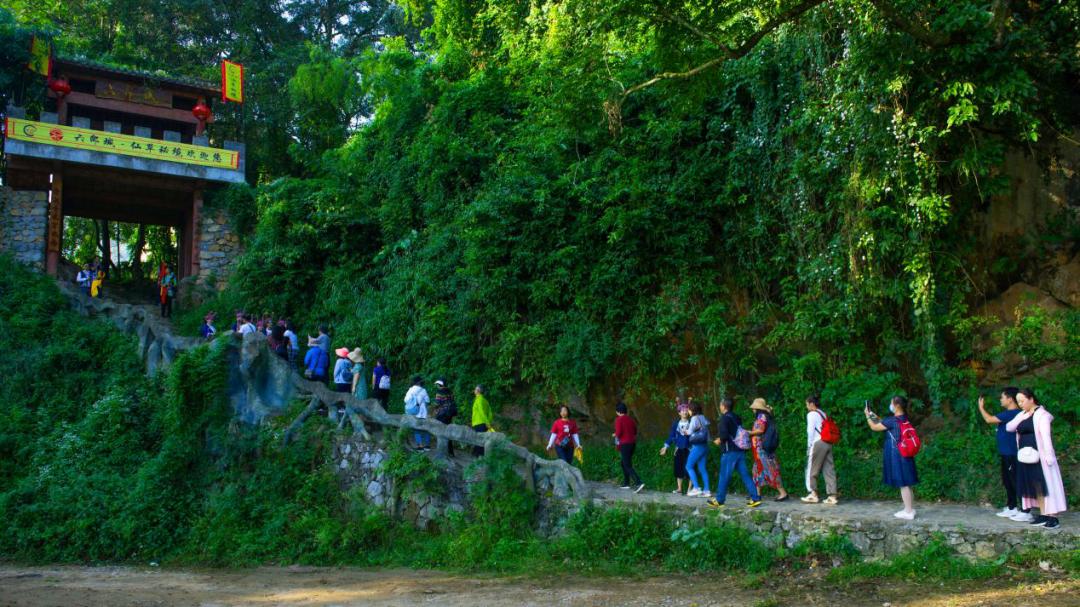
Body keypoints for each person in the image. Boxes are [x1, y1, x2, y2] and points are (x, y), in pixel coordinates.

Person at [1005, 388, 1066, 529]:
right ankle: (1044, 513)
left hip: (1041, 456)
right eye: (1018, 401)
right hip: (1026, 456)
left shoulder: (1042, 415)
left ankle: (1053, 516)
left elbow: (1046, 437)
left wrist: (1049, 456)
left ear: (1031, 399)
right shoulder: (1023, 414)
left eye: (1022, 400)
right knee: (1036, 486)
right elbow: (1009, 427)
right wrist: (1022, 416)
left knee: (1046, 484)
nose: (1020, 403)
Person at [865, 396, 918, 519]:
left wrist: (867, 416)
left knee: (903, 483)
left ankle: (908, 512)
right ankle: (909, 509)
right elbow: (882, 422)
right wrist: (872, 414)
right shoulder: (903, 418)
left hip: (897, 453)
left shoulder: (893, 421)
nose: (890, 405)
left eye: (891, 403)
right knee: (907, 482)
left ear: (897, 405)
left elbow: (874, 426)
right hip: (904, 452)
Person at [708, 397, 762, 509]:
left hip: (730, 451)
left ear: (723, 406)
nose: (720, 406)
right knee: (745, 474)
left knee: (724, 475)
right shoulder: (736, 417)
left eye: (720, 404)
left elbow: (723, 435)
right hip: (740, 450)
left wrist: (719, 440)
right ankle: (755, 498)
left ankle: (719, 500)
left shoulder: (724, 418)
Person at [977, 387, 1021, 518]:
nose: (1001, 400)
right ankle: (1012, 506)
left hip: (1012, 453)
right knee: (1007, 480)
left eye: (1002, 397)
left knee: (1014, 480)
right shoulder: (1008, 413)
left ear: (1010, 399)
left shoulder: (1012, 413)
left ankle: (1023, 509)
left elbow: (989, 419)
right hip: (1006, 452)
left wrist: (981, 407)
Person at [748, 398, 788, 501]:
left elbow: (760, 430)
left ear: (757, 408)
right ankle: (756, 494)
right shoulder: (765, 416)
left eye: (754, 408)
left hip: (762, 449)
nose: (752, 409)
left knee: (770, 469)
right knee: (757, 470)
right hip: (759, 450)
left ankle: (783, 493)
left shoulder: (762, 416)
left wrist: (749, 432)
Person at [802, 395, 839, 505]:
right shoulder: (823, 413)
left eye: (807, 404)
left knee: (812, 468)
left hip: (817, 443)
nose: (806, 406)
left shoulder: (812, 414)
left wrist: (809, 446)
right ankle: (832, 496)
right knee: (829, 469)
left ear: (811, 404)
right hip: (827, 442)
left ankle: (813, 494)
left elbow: (810, 431)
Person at [660, 401, 692, 494]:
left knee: (690, 468)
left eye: (686, 410)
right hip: (679, 449)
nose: (685, 412)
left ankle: (690, 489)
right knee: (678, 468)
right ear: (679, 413)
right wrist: (665, 447)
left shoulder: (692, 422)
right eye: (682, 411)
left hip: (690, 449)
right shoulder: (676, 424)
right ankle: (679, 488)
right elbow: (671, 436)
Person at [613, 402, 644, 492]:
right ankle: (626, 483)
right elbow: (634, 431)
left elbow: (618, 433)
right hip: (632, 444)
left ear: (618, 411)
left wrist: (615, 434)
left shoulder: (619, 420)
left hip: (625, 444)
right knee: (624, 463)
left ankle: (639, 482)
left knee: (627, 464)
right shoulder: (631, 420)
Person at [684, 401, 711, 497]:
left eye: (689, 409)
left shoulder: (694, 418)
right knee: (702, 468)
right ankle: (707, 490)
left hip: (698, 446)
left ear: (692, 410)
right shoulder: (703, 417)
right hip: (705, 446)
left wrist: (685, 431)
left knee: (688, 466)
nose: (688, 411)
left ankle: (696, 488)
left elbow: (690, 432)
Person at [404, 376, 431, 450]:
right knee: (426, 428)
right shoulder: (423, 390)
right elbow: (428, 401)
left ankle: (420, 446)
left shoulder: (410, 390)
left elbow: (406, 400)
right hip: (423, 413)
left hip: (415, 413)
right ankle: (427, 446)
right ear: (420, 382)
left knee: (416, 429)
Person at [433, 379, 458, 455]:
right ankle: (450, 451)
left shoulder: (439, 393)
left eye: (438, 384)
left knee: (440, 432)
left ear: (440, 385)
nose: (437, 386)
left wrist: (434, 409)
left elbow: (437, 403)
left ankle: (441, 452)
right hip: (449, 414)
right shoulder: (450, 391)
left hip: (441, 414)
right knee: (448, 431)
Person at [471, 385, 493, 457]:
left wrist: (487, 422)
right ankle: (479, 457)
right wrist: (488, 422)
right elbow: (490, 413)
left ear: (478, 391)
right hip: (484, 423)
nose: (474, 390)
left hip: (478, 423)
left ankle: (477, 458)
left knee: (479, 441)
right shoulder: (485, 401)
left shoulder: (478, 400)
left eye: (475, 389)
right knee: (482, 441)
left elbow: (481, 412)